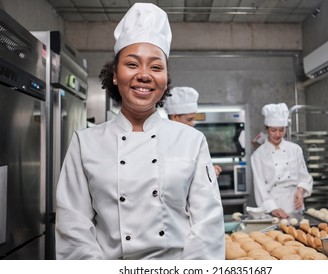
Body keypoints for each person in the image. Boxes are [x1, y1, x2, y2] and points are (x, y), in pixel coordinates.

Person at [55, 3, 225, 260]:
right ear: (115, 74)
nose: (144, 75)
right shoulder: (85, 143)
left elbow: (207, 226)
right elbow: (73, 226)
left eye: (156, 67)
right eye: (132, 64)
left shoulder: (192, 141)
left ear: (165, 79)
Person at [251, 103, 313, 219]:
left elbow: (304, 177)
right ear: (267, 129)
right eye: (273, 130)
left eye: (281, 130)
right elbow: (260, 187)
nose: (278, 134)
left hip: (295, 206)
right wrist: (273, 208)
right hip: (271, 207)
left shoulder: (295, 150)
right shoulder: (258, 155)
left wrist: (300, 190)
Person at [164, 86, 223, 176]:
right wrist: (208, 174)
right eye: (189, 119)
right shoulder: (164, 141)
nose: (193, 123)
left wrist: (209, 170)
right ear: (175, 117)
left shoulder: (188, 139)